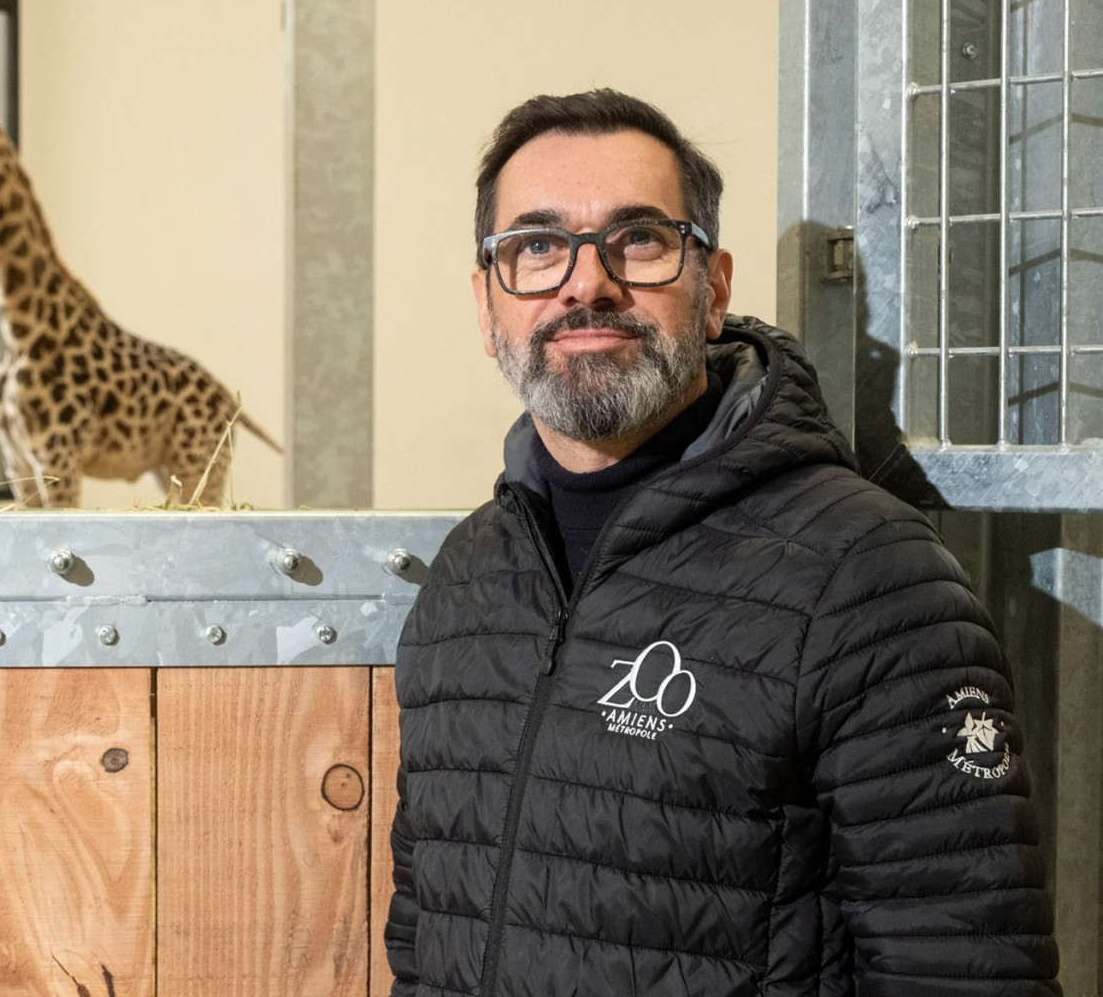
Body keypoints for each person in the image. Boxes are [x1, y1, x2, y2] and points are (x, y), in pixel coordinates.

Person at [385, 89, 1060, 996]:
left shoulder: (869, 580)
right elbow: (425, 940)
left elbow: (967, 974)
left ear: (713, 291)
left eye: (638, 239)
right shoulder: (464, 585)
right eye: (535, 246)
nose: (586, 282)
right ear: (486, 304)